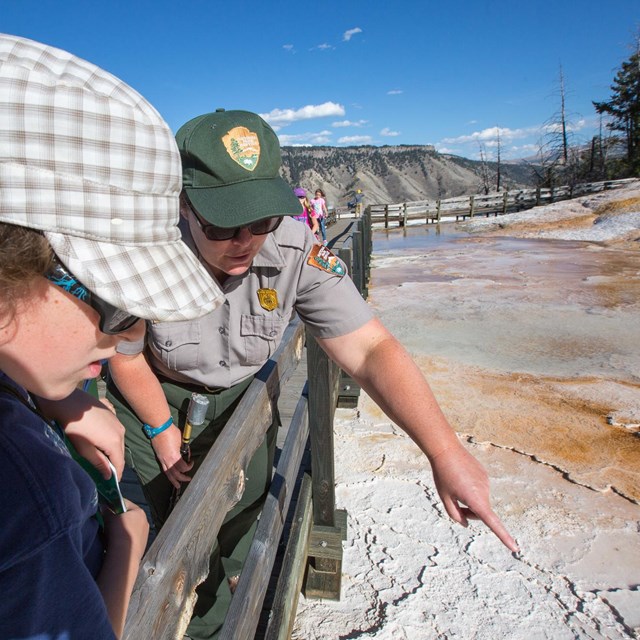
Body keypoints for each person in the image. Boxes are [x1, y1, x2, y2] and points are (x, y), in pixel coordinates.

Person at [106, 109, 518, 640]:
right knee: (178, 527)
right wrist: (162, 431)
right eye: (223, 223)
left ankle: (229, 587)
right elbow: (124, 353)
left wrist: (444, 451)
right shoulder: (144, 253)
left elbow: (370, 349)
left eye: (262, 220)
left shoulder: (297, 248)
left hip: (241, 396)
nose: (245, 240)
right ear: (184, 204)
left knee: (246, 506)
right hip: (154, 397)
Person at [0, 34, 223, 640]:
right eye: (120, 306)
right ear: (14, 266)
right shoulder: (22, 488)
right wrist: (127, 544)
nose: (129, 339)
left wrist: (58, 398)